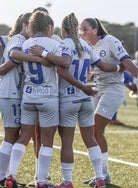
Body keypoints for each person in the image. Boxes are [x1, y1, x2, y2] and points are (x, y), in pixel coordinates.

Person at [30, 13, 123, 188]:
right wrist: (120, 67)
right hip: (85, 100)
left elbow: (62, 69)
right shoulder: (86, 46)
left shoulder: (64, 44)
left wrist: (43, 53)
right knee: (91, 139)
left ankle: (67, 182)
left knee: (67, 142)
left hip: (69, 98)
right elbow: (103, 66)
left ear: (63, 29)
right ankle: (100, 178)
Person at [80, 18, 138, 186]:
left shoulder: (110, 41)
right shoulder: (86, 46)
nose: (81, 32)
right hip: (97, 88)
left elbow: (127, 61)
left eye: (84, 29)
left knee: (96, 130)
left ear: (95, 29)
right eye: (80, 29)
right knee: (92, 132)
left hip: (113, 89)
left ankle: (104, 175)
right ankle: (100, 174)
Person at [4, 11, 63, 188]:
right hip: (48, 96)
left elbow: (14, 55)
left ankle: (11, 176)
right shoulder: (54, 43)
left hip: (28, 96)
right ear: (49, 27)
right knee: (47, 141)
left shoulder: (26, 43)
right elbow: (63, 62)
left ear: (31, 26)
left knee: (23, 137)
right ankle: (42, 181)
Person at [0, 13, 32, 188]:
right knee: (11, 137)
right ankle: (1, 179)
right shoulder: (19, 38)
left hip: (10, 93)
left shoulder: (14, 38)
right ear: (25, 25)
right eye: (32, 24)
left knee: (13, 136)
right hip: (11, 93)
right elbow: (13, 59)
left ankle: (4, 178)